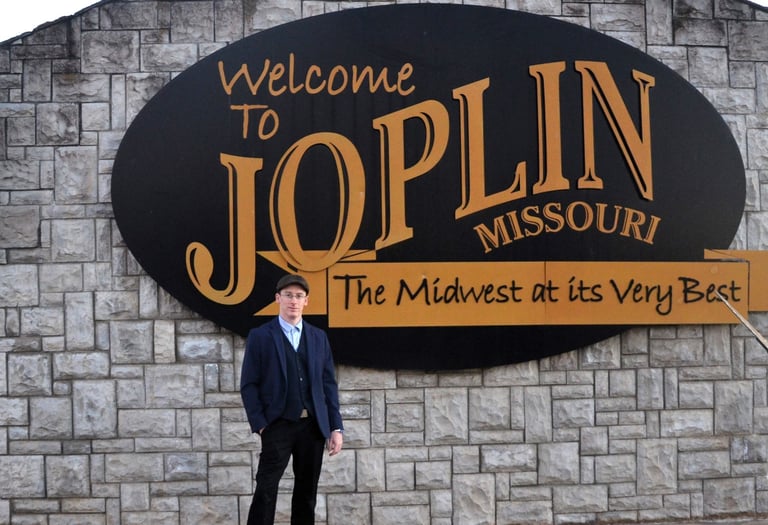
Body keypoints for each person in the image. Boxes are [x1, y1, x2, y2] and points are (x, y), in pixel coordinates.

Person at [240, 273, 344, 525]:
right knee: (266, 490)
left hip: (312, 428)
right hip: (278, 424)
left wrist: (335, 426)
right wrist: (261, 424)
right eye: (288, 295)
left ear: (306, 301)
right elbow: (249, 384)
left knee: (306, 494)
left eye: (299, 296)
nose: (293, 301)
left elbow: (328, 384)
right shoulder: (261, 336)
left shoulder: (318, 337)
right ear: (278, 298)